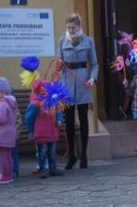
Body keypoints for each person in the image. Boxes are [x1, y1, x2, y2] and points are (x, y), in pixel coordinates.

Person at [57, 13, 99, 169]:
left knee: (83, 120)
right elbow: (58, 61)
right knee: (68, 122)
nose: (71, 30)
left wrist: (92, 78)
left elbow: (94, 64)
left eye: (73, 27)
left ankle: (84, 155)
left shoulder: (89, 41)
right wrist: (58, 64)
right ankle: (71, 156)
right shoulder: (62, 40)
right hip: (67, 82)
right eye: (69, 27)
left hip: (83, 83)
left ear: (79, 26)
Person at [25, 80, 65, 178]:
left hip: (52, 132)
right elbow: (29, 118)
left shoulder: (53, 101)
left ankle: (53, 168)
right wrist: (31, 130)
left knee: (52, 151)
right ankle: (43, 169)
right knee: (42, 152)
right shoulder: (35, 104)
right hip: (41, 133)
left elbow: (58, 112)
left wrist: (59, 120)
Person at [0, 76, 17, 185]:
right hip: (9, 134)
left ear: (0, 91)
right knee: (8, 156)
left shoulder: (2, 103)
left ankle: (5, 176)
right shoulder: (9, 101)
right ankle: (8, 174)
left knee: (3, 156)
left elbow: (1, 119)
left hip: (2, 134)